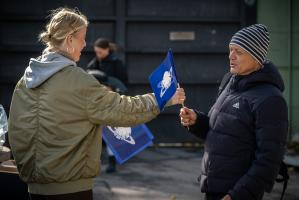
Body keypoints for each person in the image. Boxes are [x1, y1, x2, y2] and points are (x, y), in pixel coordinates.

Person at [8, 8, 185, 200]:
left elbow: (16, 129)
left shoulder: (25, 81)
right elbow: (123, 109)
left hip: (34, 188)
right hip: (71, 189)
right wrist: (163, 98)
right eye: (83, 38)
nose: (85, 45)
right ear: (69, 39)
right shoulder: (77, 80)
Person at [180, 24, 288, 200]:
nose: (231, 56)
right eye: (230, 50)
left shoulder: (270, 99)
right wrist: (196, 121)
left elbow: (269, 159)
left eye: (238, 51)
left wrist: (237, 195)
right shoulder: (230, 83)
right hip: (213, 186)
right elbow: (220, 131)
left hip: (237, 193)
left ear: (256, 56)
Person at [87, 69, 127, 173]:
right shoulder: (89, 93)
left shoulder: (113, 93)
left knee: (110, 142)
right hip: (94, 124)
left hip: (109, 124)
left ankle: (111, 162)